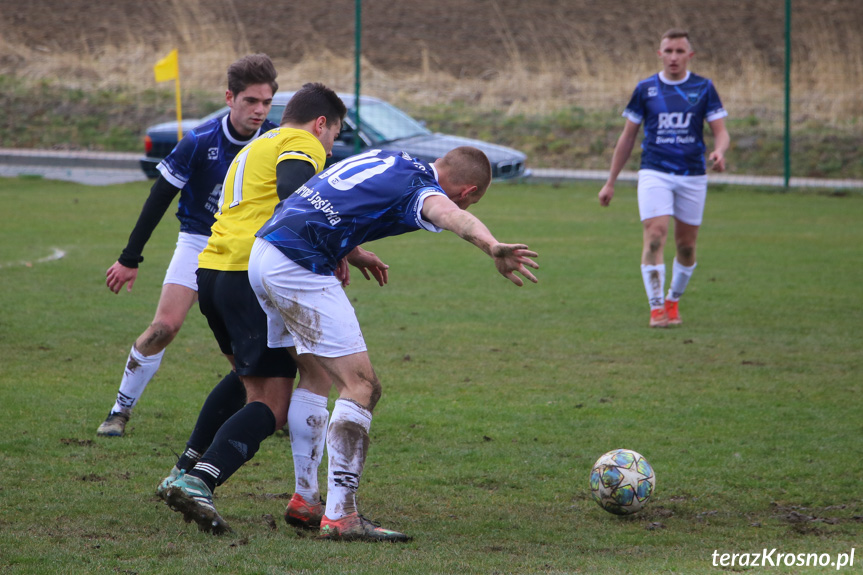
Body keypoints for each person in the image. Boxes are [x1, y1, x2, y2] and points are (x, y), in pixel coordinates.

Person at [247, 146, 540, 541]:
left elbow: (331, 197)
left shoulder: (393, 157)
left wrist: (353, 251)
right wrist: (492, 246)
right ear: (469, 191)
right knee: (362, 387)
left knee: (314, 375)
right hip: (298, 263)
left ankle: (306, 500)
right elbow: (451, 215)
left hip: (264, 251)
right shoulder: (423, 188)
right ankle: (341, 516)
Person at [158, 83, 381, 536]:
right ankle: (203, 480)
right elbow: (297, 192)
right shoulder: (300, 141)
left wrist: (348, 251)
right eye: (333, 136)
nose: (329, 145)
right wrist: (336, 246)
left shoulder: (258, 145)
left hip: (214, 270)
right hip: (252, 274)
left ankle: (184, 469)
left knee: (246, 378)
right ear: (322, 123)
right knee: (272, 403)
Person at [96, 54, 280, 436]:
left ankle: (269, 410)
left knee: (263, 337)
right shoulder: (199, 141)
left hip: (253, 246)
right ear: (230, 98)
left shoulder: (278, 141)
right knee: (164, 326)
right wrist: (130, 257)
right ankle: (119, 411)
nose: (259, 110)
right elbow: (159, 197)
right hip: (199, 240)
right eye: (251, 101)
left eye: (266, 102)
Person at [598, 28, 730, 328]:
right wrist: (610, 182)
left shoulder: (704, 88)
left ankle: (673, 300)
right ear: (660, 54)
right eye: (668, 51)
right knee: (655, 235)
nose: (673, 57)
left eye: (679, 51)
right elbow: (627, 137)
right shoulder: (646, 89)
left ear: (689, 55)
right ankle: (656, 308)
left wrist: (720, 152)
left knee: (686, 246)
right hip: (654, 171)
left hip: (693, 175)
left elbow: (721, 132)